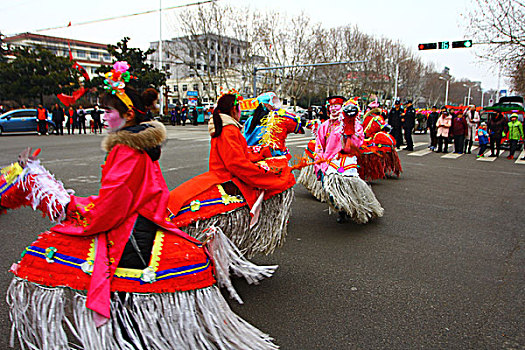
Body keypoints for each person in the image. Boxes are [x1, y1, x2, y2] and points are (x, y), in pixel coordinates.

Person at [4, 62, 279, 349]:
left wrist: (76, 211)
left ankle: (126, 332)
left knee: (67, 252)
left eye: (109, 112)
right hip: (145, 218)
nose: (104, 117)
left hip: (131, 226)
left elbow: (112, 205)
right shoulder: (139, 145)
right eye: (103, 111)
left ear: (128, 114)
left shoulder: (126, 149)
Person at [167, 92, 296, 256]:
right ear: (234, 110)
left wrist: (261, 153)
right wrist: (262, 174)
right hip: (227, 177)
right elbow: (236, 164)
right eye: (239, 108)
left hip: (221, 173)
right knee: (275, 183)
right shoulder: (229, 130)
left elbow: (240, 154)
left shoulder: (227, 127)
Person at [314, 96, 383, 224]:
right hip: (328, 162)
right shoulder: (325, 126)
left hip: (347, 161)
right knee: (330, 189)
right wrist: (318, 162)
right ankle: (340, 208)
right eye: (331, 107)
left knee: (349, 188)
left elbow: (358, 142)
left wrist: (348, 131)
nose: (333, 109)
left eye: (336, 107)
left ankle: (351, 209)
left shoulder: (354, 124)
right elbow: (319, 144)